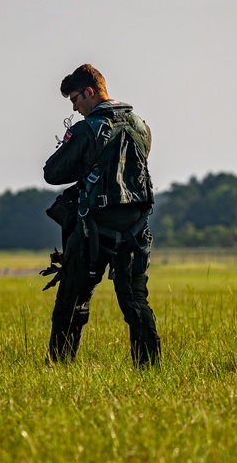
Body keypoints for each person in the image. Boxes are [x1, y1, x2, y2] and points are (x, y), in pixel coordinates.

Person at [42, 64, 161, 367]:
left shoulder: (86, 129)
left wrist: (79, 154)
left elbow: (52, 172)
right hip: (136, 230)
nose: (75, 108)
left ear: (90, 92)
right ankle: (149, 370)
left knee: (72, 300)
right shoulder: (140, 125)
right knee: (135, 301)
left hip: (94, 230)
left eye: (76, 100)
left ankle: (60, 369)